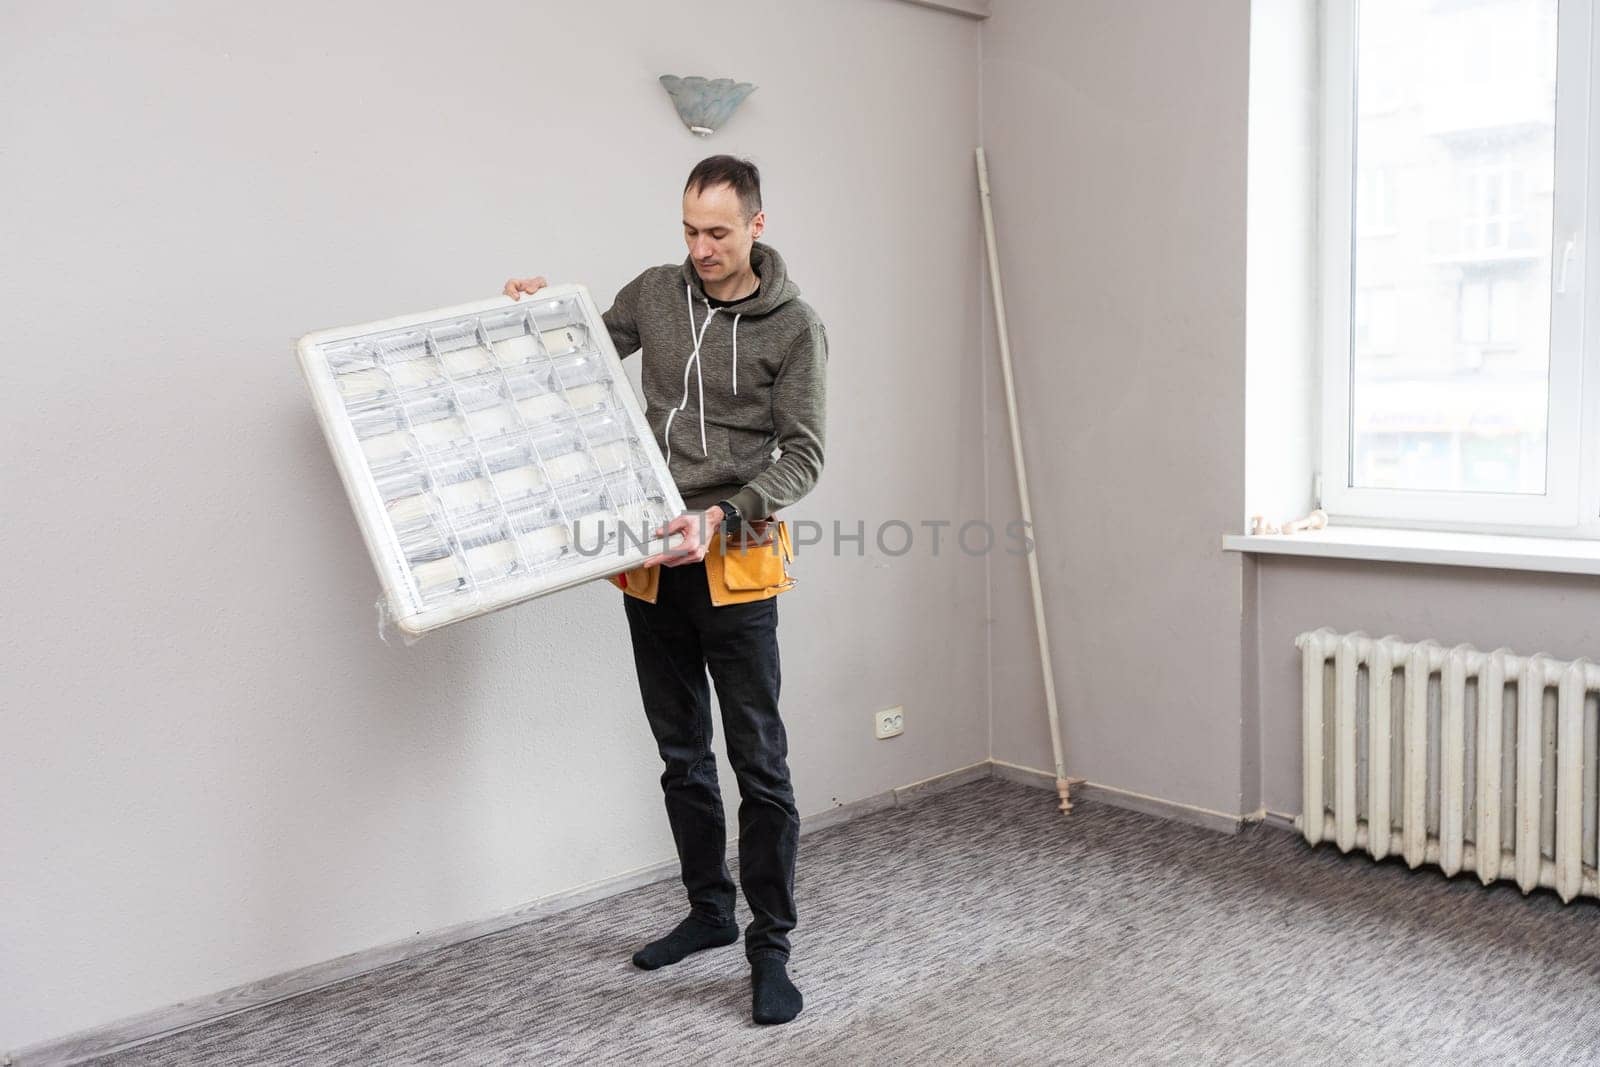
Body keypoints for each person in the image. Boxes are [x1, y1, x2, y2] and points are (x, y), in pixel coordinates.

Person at [503, 155, 827, 1025]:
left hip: (734, 558)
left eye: (718, 231)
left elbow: (805, 455)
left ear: (757, 224)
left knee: (758, 763)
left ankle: (771, 947)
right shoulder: (653, 291)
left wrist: (724, 514)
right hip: (650, 557)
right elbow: (575, 355)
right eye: (689, 229)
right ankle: (711, 913)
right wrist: (538, 314)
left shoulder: (795, 327)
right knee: (680, 751)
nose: (701, 247)